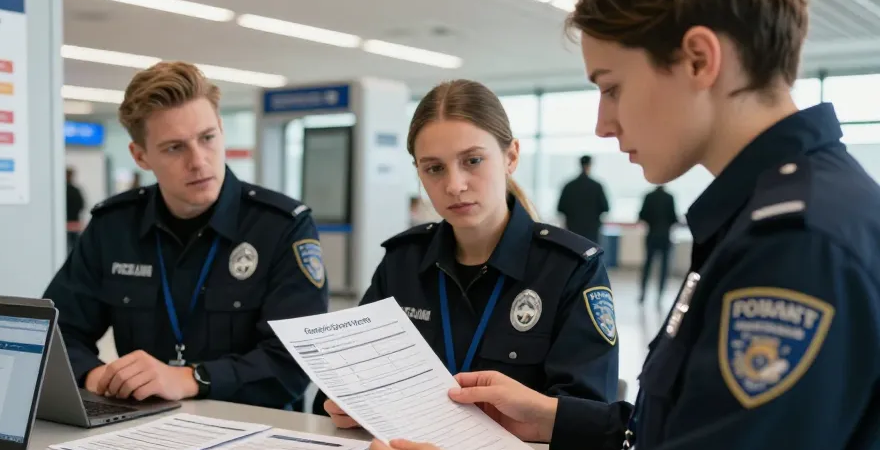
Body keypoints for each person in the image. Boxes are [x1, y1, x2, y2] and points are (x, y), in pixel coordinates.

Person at [367, 0, 880, 450]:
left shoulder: (796, 244)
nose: (602, 124)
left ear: (700, 60)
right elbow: (693, 437)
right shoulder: (782, 212)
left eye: (611, 87)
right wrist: (554, 418)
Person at [313, 79, 620, 426]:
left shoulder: (568, 269)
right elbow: (341, 384)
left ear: (511, 156)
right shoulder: (403, 262)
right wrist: (341, 404)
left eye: (472, 160)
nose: (454, 185)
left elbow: (588, 419)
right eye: (434, 168)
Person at [42, 61, 329, 409]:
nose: (198, 161)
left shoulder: (281, 226)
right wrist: (94, 375)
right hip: (142, 423)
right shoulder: (113, 226)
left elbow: (292, 363)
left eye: (207, 138)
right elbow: (56, 333)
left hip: (254, 430)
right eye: (174, 148)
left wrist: (191, 378)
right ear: (140, 156)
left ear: (221, 130)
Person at [637, 185, 678, 305]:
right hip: (665, 236)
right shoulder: (669, 198)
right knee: (664, 267)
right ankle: (660, 295)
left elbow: (642, 215)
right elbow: (673, 217)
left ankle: (643, 294)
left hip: (652, 235)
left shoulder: (649, 197)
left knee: (647, 265)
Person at [556, 155, 609, 243]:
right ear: (590, 165)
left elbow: (560, 208)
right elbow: (605, 208)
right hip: (592, 231)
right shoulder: (596, 186)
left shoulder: (569, 186)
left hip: (573, 230)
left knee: (573, 254)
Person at [66, 167, 85, 251]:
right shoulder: (74, 190)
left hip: (72, 223)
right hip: (73, 223)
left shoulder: (63, 190)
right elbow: (81, 205)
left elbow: (81, 205)